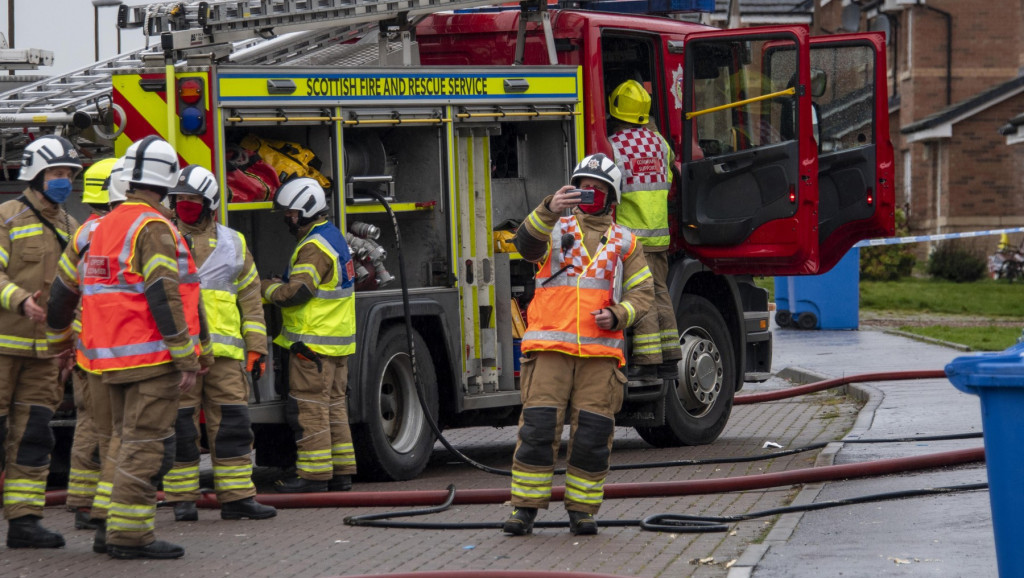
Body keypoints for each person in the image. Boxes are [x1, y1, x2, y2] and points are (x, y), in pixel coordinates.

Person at [48, 135, 213, 559]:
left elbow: (61, 293)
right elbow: (165, 294)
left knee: (120, 442)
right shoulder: (154, 228)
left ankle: (108, 526)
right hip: (150, 359)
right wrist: (186, 356)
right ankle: (130, 536)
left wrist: (59, 341)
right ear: (166, 183)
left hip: (103, 361)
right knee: (144, 446)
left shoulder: (99, 228)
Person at [502, 153, 654, 536]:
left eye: (597, 191)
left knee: (591, 437)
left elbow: (644, 295)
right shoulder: (554, 226)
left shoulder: (625, 242)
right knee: (537, 431)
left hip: (600, 357)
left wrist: (619, 315)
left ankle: (582, 511)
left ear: (612, 197)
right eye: (583, 188)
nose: (589, 195)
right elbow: (524, 245)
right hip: (550, 349)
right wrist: (548, 208)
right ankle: (524, 510)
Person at [163, 165, 276, 522]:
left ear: (209, 203)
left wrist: (257, 347)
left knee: (232, 426)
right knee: (180, 426)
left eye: (192, 200)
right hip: (180, 354)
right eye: (179, 200)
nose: (185, 206)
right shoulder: (162, 238)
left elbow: (251, 300)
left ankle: (237, 497)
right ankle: (182, 499)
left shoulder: (233, 243)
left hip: (226, 357)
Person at [0, 135, 82, 549]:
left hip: (46, 355)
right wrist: (19, 301)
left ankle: (25, 521)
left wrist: (72, 343)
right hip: (3, 350)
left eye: (68, 173)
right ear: (35, 174)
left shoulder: (72, 228)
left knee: (33, 436)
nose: (63, 180)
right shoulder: (6, 219)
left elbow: (79, 292)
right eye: (56, 173)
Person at [261, 177, 357, 493]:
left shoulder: (314, 246)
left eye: (290, 213)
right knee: (333, 407)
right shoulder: (333, 237)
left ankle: (314, 476)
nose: (287, 219)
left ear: (305, 209)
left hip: (311, 344)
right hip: (335, 342)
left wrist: (265, 288)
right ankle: (341, 472)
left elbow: (298, 292)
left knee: (309, 408)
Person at [62, 156, 127, 531]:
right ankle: (106, 507)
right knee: (117, 429)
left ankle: (84, 502)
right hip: (114, 346)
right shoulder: (121, 230)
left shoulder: (82, 232)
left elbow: (64, 290)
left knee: (89, 423)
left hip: (83, 342)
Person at [606, 79, 682, 381]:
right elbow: (672, 169)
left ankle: (648, 359)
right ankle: (670, 356)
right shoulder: (660, 143)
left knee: (641, 297)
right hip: (660, 235)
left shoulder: (614, 146)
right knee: (660, 293)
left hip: (632, 239)